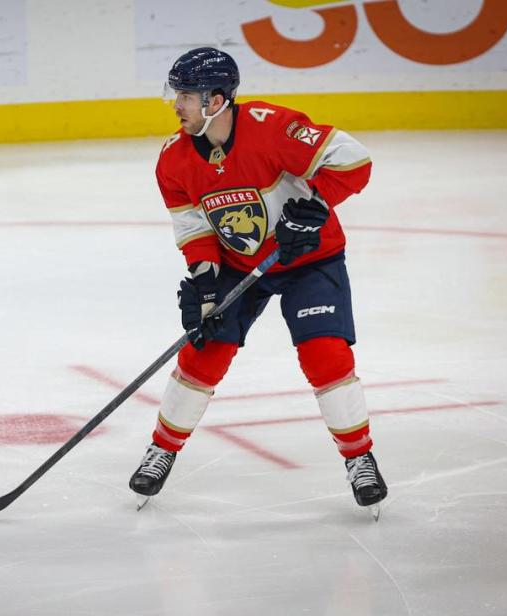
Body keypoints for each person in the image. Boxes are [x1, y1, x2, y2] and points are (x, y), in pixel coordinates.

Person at [128, 47, 387, 516]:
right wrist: (205, 281)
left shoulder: (273, 128)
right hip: (240, 265)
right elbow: (195, 228)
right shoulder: (173, 160)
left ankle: (359, 458)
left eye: (185, 95)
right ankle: (163, 448)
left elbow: (355, 160)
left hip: (311, 257)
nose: (176, 104)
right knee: (205, 349)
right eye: (176, 94)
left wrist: (315, 207)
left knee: (324, 352)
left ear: (217, 100)